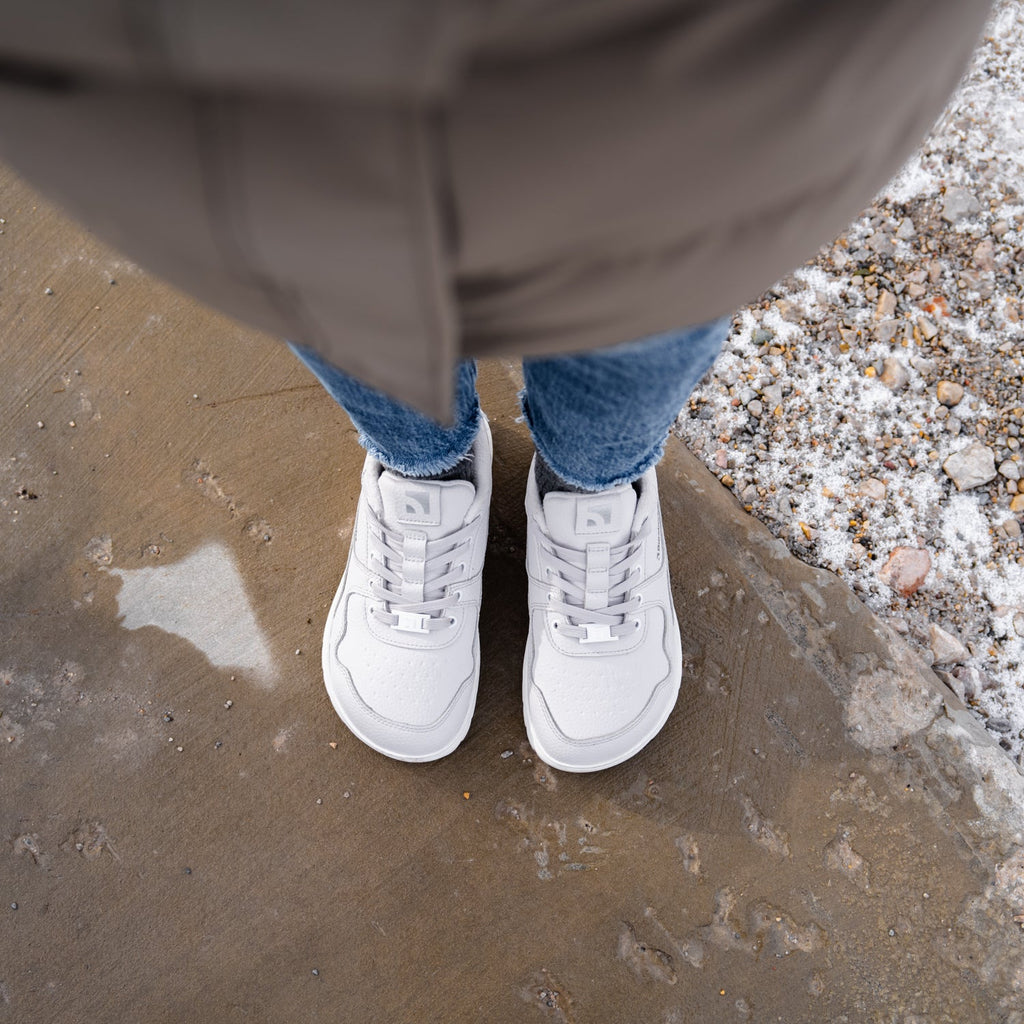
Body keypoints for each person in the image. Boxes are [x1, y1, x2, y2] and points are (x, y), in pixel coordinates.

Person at [0, 1, 991, 768]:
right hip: (251, 68)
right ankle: (428, 466)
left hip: (698, 60)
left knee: (653, 263)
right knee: (323, 259)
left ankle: (592, 482)